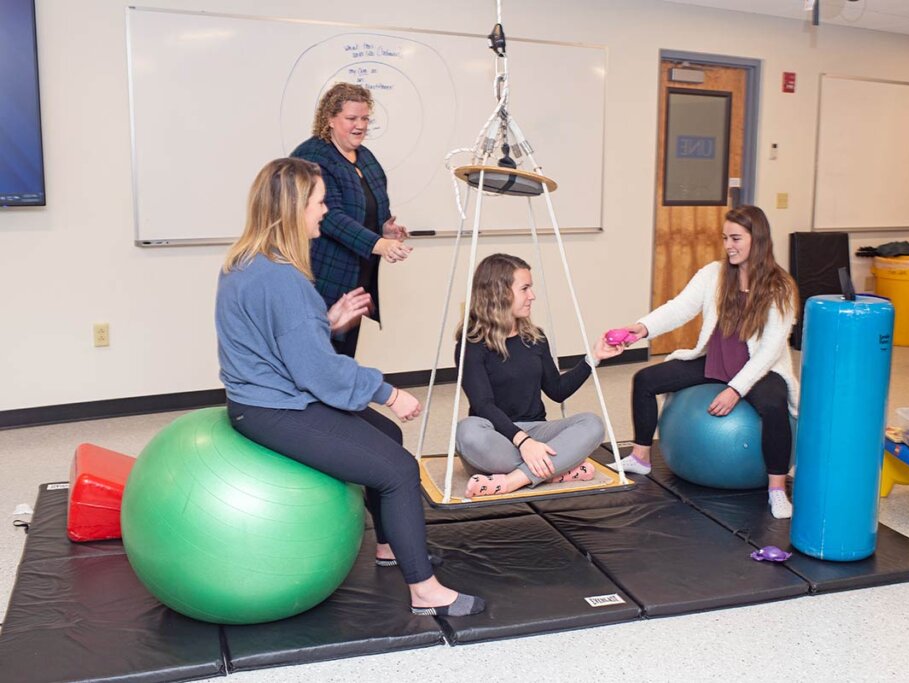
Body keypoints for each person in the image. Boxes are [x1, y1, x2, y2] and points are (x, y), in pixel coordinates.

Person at [215, 158, 484, 617]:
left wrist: (326, 321)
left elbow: (281, 341)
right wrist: (389, 393)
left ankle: (389, 547)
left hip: (259, 398)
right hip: (275, 408)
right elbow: (319, 374)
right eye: (320, 202)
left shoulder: (247, 261)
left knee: (389, 440)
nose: (325, 211)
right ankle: (424, 591)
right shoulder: (284, 279)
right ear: (293, 209)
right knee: (398, 469)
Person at [610, 205, 799, 519]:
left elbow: (768, 350)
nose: (728, 246)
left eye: (736, 238)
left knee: (774, 406)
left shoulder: (780, 287)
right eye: (725, 238)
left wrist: (735, 391)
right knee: (644, 380)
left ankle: (777, 489)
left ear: (758, 239)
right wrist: (642, 328)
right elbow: (680, 307)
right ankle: (641, 457)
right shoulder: (714, 274)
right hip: (716, 363)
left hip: (758, 369)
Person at [454, 253, 623, 498]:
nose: (532, 296)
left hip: (537, 430)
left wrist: (592, 359)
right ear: (499, 292)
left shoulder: (535, 337)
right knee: (467, 432)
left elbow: (557, 390)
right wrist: (524, 443)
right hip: (497, 436)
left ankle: (514, 480)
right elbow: (483, 405)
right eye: (525, 288)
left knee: (592, 423)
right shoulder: (472, 343)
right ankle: (558, 469)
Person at [292, 82, 412, 358]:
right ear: (330, 120)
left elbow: (372, 205)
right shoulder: (312, 156)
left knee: (344, 355)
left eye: (365, 118)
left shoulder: (365, 156)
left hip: (357, 274)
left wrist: (385, 229)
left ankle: (340, 401)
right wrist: (379, 244)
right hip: (321, 274)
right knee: (319, 352)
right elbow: (330, 217)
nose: (360, 125)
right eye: (351, 119)